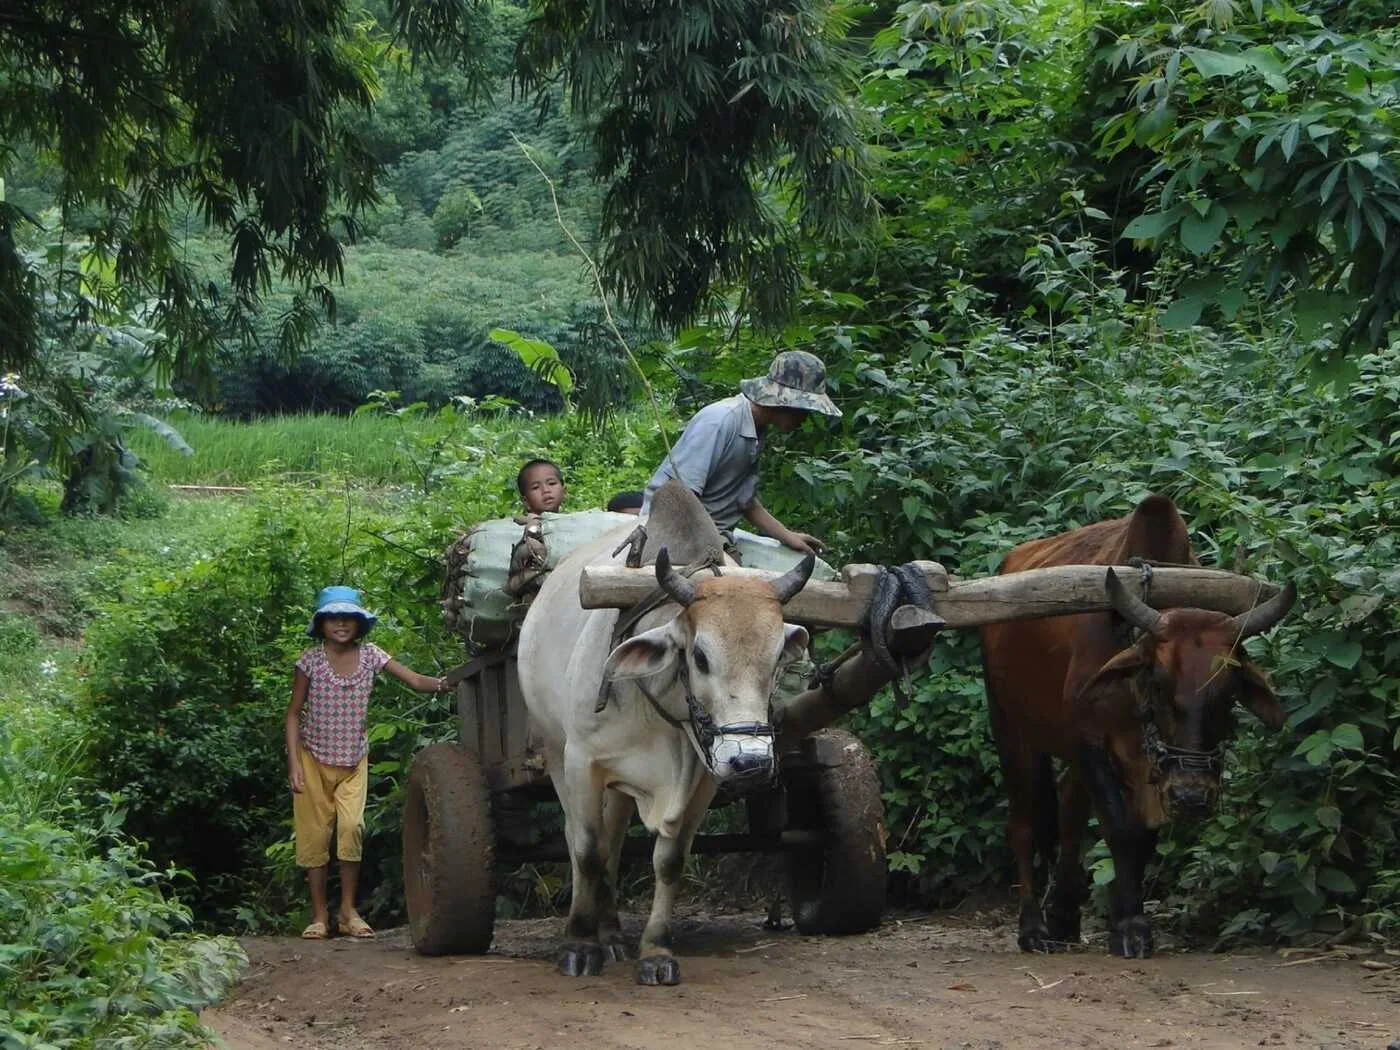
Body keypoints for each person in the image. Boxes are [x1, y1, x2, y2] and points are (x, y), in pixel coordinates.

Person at [285, 585, 450, 940]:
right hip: (312, 759)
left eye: (348, 618)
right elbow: (292, 714)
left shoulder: (372, 655)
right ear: (322, 624)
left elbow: (415, 681)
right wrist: (294, 764)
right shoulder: (310, 660)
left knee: (351, 831)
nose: (341, 624)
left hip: (353, 760)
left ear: (359, 624)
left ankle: (348, 912)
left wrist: (444, 683)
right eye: (333, 618)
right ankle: (319, 916)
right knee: (314, 839)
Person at [641, 350, 841, 554]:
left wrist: (788, 536)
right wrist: (714, 551)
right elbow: (680, 498)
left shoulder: (756, 429)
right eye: (804, 409)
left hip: (712, 537)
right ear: (787, 403)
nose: (805, 418)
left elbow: (744, 500)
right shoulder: (720, 421)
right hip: (674, 533)